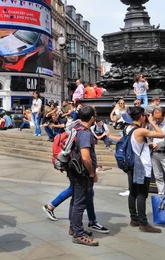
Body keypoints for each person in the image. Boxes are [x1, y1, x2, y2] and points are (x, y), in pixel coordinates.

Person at [66, 105, 100, 246]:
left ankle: (74, 227)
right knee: (80, 202)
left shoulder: (77, 128)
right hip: (82, 173)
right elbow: (86, 157)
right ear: (92, 118)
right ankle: (79, 234)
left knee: (75, 200)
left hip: (74, 170)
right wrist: (92, 172)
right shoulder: (85, 133)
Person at [127, 106, 163, 233]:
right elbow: (161, 134)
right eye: (145, 116)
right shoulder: (141, 130)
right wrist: (152, 121)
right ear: (141, 116)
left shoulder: (129, 128)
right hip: (142, 165)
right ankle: (143, 223)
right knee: (142, 194)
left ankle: (134, 218)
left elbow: (135, 144)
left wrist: (146, 145)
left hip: (132, 164)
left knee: (133, 192)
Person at [147, 107, 165, 195]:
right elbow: (147, 135)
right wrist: (149, 143)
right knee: (157, 175)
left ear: (164, 116)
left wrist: (160, 144)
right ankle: (161, 192)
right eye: (155, 118)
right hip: (154, 153)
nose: (157, 120)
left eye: (159, 118)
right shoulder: (151, 125)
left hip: (164, 153)